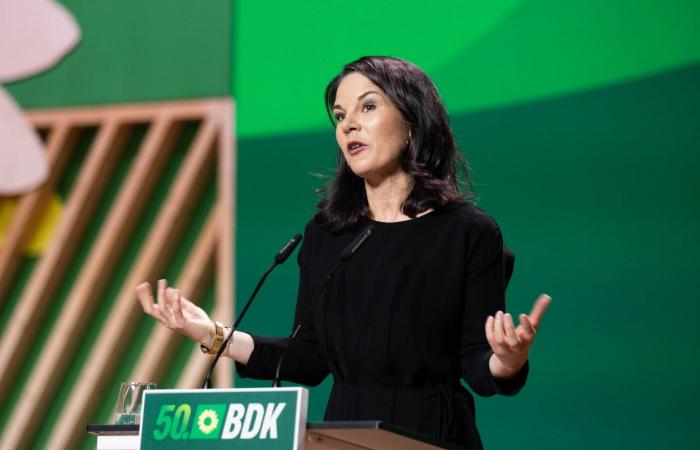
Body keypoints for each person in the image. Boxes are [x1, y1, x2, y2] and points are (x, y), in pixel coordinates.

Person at [137, 56, 550, 449]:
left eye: (367, 107)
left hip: (432, 433)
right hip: (343, 435)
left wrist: (507, 361)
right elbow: (308, 357)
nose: (349, 124)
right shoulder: (329, 233)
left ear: (412, 122)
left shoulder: (468, 232)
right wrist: (213, 335)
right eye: (339, 116)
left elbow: (478, 364)